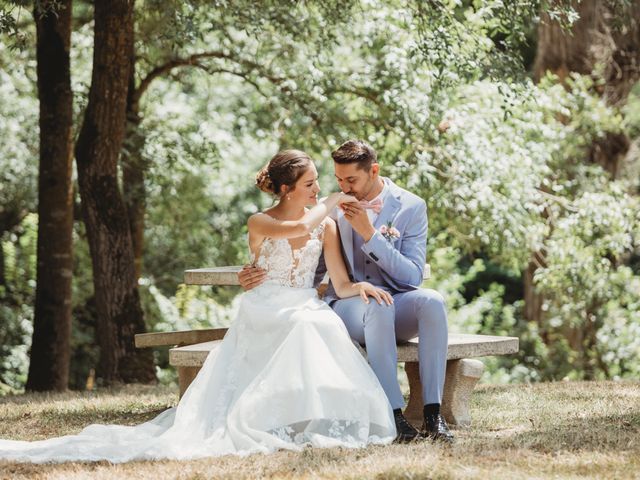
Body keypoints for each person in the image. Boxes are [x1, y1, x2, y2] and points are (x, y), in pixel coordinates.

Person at [0, 149, 396, 464]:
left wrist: (359, 286)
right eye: (310, 184)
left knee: (318, 324)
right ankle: (266, 417)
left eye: (317, 184)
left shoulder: (324, 225)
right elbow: (296, 229)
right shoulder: (261, 221)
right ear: (287, 189)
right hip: (265, 306)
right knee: (305, 326)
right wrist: (328, 202)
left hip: (301, 303)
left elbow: (340, 282)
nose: (317, 189)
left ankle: (313, 417)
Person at [240, 140, 453, 443]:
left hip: (397, 299)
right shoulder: (329, 209)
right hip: (351, 305)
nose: (344, 187)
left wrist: (370, 234)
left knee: (433, 302)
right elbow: (300, 259)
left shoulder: (411, 206)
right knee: (377, 306)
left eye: (351, 180)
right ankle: (393, 414)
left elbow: (412, 278)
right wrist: (255, 274)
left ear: (374, 170)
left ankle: (434, 414)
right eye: (338, 179)